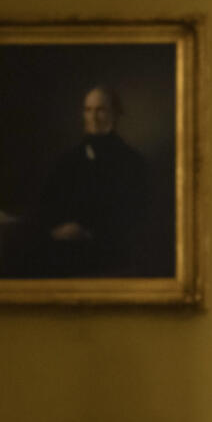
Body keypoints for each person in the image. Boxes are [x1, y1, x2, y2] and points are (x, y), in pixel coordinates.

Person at [31, 86, 163, 278]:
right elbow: (46, 203)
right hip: (62, 248)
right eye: (88, 110)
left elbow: (136, 214)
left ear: (115, 114)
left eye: (100, 110)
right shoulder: (68, 159)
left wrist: (89, 233)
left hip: (109, 252)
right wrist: (57, 230)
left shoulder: (132, 162)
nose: (93, 117)